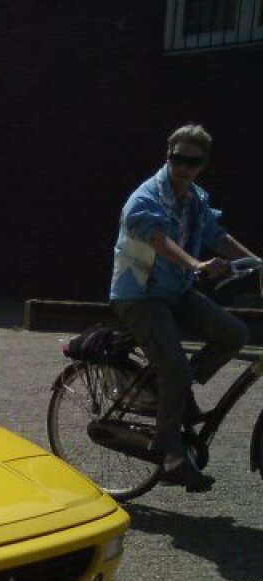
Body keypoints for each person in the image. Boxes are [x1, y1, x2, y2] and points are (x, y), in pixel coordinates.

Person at [109, 123, 255, 491]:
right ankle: (170, 453)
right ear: (167, 155)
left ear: (202, 164)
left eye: (193, 161)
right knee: (173, 366)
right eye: (178, 158)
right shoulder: (144, 199)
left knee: (234, 334)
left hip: (175, 292)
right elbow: (158, 240)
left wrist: (256, 260)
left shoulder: (195, 199)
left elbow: (217, 237)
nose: (184, 167)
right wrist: (195, 264)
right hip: (139, 295)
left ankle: (178, 390)